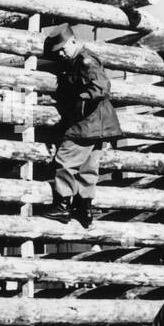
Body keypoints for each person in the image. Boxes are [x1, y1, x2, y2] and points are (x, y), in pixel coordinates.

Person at [42, 26, 121, 228]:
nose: (61, 54)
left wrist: (79, 102)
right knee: (89, 166)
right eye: (57, 51)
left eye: (63, 49)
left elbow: (101, 87)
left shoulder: (85, 60)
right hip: (99, 126)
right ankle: (84, 209)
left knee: (65, 160)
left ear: (73, 42)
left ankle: (63, 206)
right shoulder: (78, 60)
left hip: (88, 123)